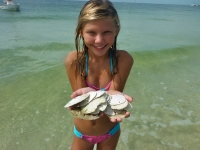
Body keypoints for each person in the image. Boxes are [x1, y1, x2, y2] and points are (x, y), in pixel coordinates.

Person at [64, 0, 134, 149]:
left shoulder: (123, 59)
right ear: (80, 31)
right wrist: (88, 95)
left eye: (107, 32)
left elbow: (114, 95)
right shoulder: (74, 60)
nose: (99, 40)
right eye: (91, 32)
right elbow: (83, 104)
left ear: (117, 31)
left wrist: (113, 95)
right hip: (82, 134)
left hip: (110, 131)